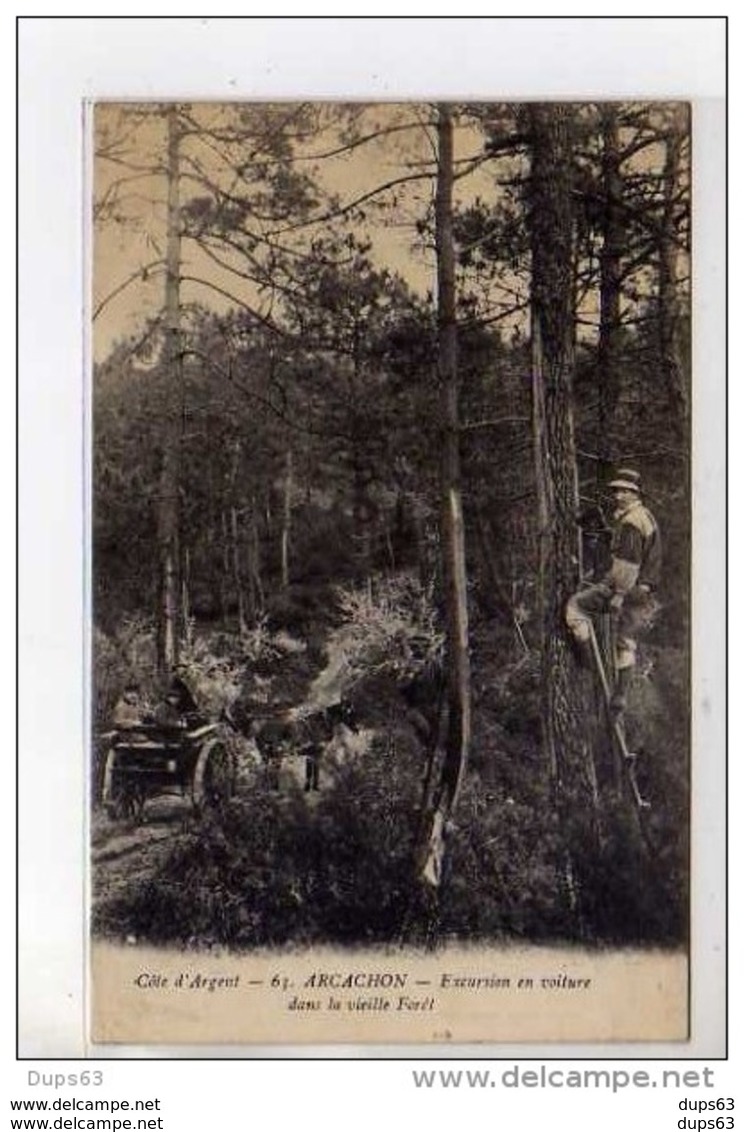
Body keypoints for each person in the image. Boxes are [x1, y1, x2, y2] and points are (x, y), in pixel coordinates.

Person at [565, 468, 661, 714]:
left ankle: (590, 668)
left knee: (575, 609)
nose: (618, 495)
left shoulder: (630, 522)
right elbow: (640, 552)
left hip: (626, 587)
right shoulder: (644, 516)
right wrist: (608, 534)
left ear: (634, 493)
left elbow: (628, 565)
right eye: (616, 490)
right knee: (625, 642)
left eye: (624, 491)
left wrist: (617, 594)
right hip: (644, 590)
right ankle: (620, 696)